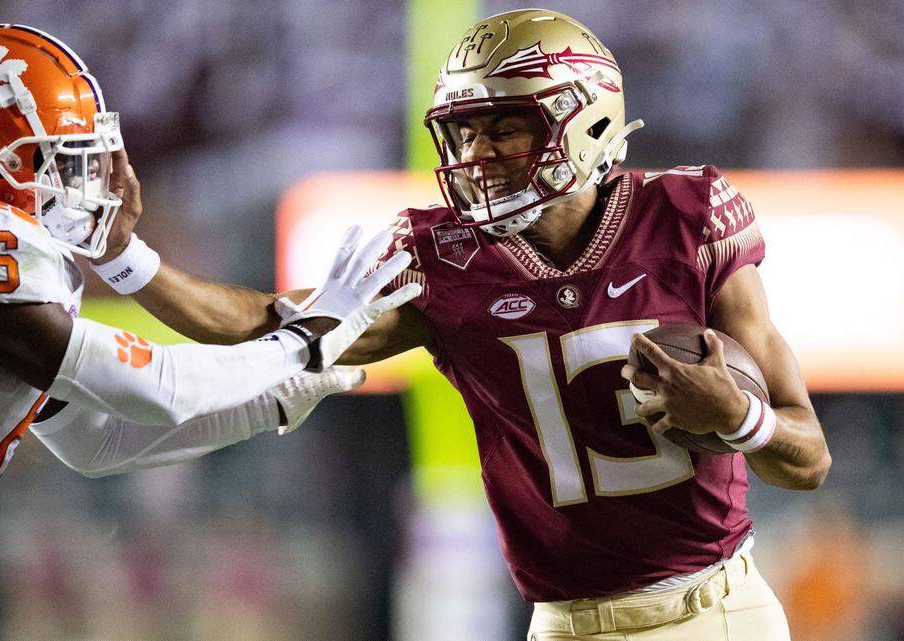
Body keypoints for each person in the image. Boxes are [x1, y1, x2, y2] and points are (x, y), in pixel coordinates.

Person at [104, 9, 831, 640]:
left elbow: (808, 458)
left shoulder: (686, 216)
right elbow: (276, 324)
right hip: (570, 622)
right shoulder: (443, 259)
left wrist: (740, 417)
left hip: (722, 610)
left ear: (588, 121)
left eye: (505, 130)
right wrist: (128, 260)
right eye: (465, 133)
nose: (477, 157)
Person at [0, 24, 419, 640]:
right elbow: (155, 388)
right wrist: (308, 335)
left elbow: (100, 441)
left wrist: (270, 398)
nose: (82, 177)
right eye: (53, 155)